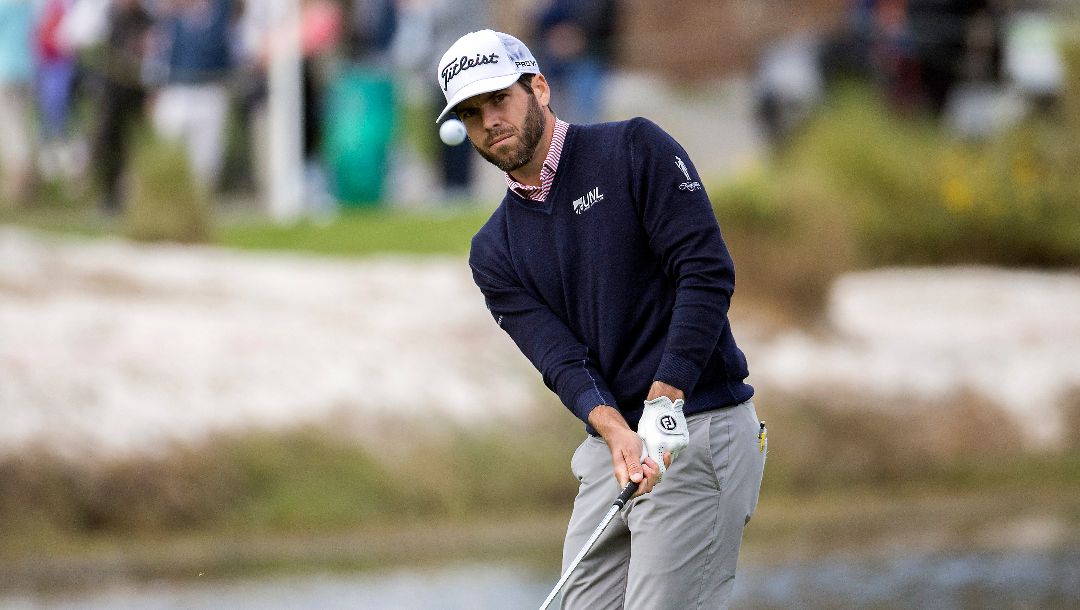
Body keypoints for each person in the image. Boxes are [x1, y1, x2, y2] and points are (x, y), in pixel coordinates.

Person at [436, 30, 766, 609]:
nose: (489, 121)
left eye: (499, 99)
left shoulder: (633, 150)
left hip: (699, 423)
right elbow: (561, 359)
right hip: (611, 449)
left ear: (538, 88)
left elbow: (707, 272)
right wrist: (614, 429)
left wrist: (666, 399)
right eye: (471, 112)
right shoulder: (494, 251)